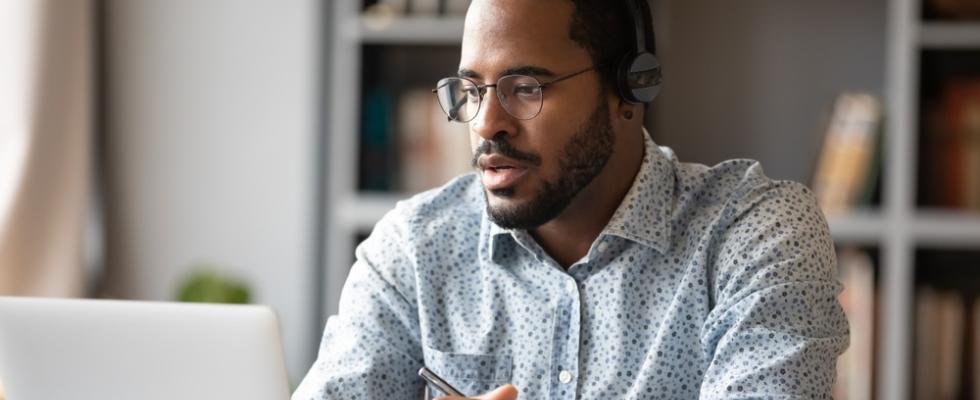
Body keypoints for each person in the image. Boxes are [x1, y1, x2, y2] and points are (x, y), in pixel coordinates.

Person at [293, 0, 849, 399]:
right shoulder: (415, 248)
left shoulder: (754, 235)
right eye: (472, 90)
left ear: (631, 88)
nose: (486, 123)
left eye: (525, 88)